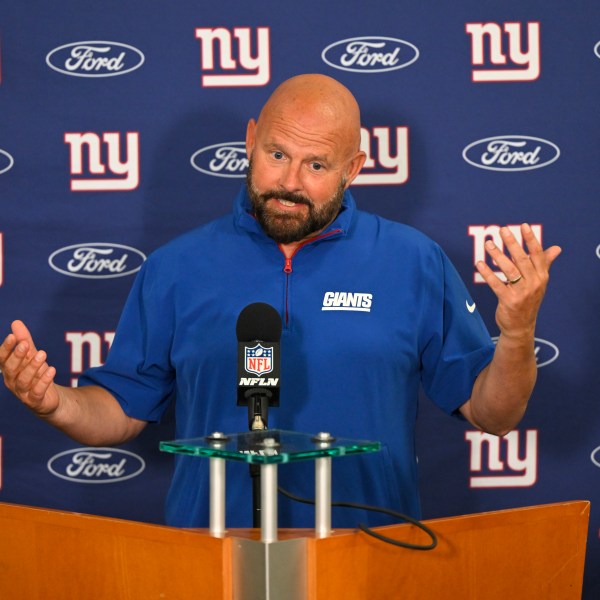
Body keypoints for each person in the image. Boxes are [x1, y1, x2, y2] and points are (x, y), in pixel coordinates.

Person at [0, 74, 561, 528]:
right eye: (276, 153)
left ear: (354, 169)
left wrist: (515, 336)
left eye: (316, 165)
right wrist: (56, 404)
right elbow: (122, 409)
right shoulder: (176, 267)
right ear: (249, 141)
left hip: (366, 563)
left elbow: (494, 414)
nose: (289, 181)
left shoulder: (414, 262)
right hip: (214, 560)